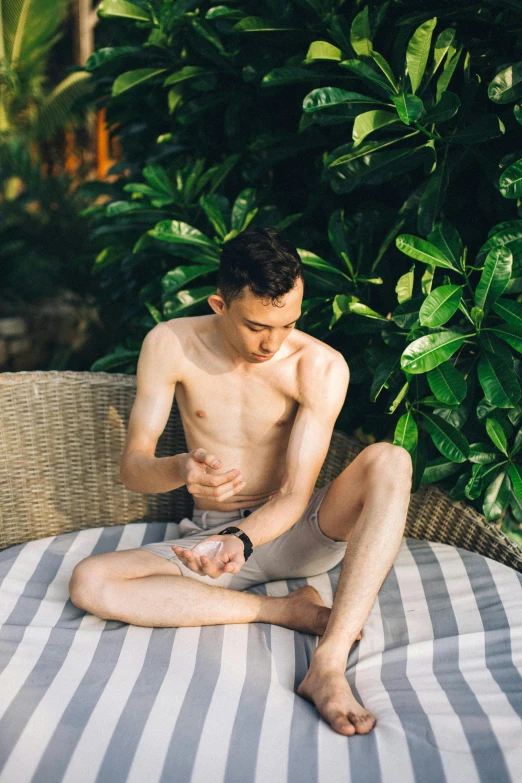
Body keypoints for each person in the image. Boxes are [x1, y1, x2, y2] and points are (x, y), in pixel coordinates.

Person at [69, 226, 413, 737]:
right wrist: (179, 469)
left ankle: (329, 665)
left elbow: (296, 494)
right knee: (89, 582)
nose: (272, 342)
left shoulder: (319, 366)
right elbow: (133, 468)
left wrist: (244, 537)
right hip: (210, 538)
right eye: (256, 326)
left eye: (288, 323)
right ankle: (283, 610)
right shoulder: (170, 344)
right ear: (219, 303)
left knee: (391, 459)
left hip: (296, 531)